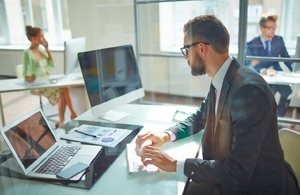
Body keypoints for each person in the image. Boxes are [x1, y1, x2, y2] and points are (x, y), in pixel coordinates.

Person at [135, 15, 300, 195]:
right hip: (228, 178)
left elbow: (238, 171)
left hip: (258, 188)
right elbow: (201, 117)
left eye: (186, 50)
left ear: (201, 48)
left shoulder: (248, 92)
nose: (186, 57)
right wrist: (166, 135)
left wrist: (174, 164)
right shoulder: (224, 77)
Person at [22, 25, 78, 127]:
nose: (44, 39)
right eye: (42, 37)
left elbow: (52, 64)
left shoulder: (42, 50)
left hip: (47, 80)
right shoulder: (27, 53)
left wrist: (47, 49)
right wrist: (31, 78)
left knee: (65, 89)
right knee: (64, 90)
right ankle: (72, 114)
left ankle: (62, 121)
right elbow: (25, 74)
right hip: (36, 85)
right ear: (34, 39)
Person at [246, 13, 293, 117]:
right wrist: (263, 69)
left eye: (274, 27)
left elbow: (286, 58)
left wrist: (295, 70)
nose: (273, 30)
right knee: (265, 98)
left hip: (276, 75)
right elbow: (248, 63)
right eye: (270, 28)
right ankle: (266, 120)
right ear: (262, 28)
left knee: (288, 92)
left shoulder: (279, 40)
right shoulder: (252, 44)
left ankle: (278, 118)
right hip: (261, 77)